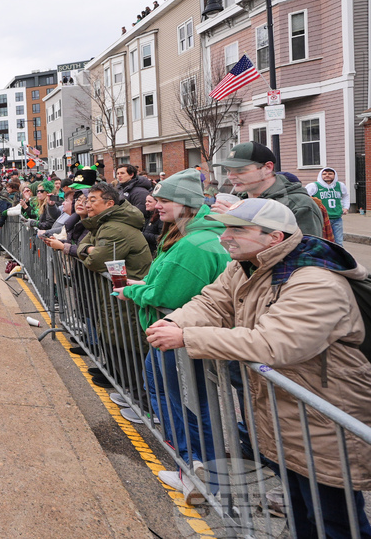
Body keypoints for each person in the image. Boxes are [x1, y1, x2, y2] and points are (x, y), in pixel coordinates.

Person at [147, 199, 371, 537]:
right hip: (285, 411)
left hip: (324, 414)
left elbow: (274, 344)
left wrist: (187, 336)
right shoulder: (247, 265)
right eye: (225, 228)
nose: (225, 237)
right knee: (300, 509)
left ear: (274, 237)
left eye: (237, 230)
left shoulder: (316, 281)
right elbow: (212, 302)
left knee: (333, 518)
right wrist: (173, 321)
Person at [116, 170, 230, 503]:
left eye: (165, 200)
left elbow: (168, 294)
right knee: (193, 403)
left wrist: (137, 293)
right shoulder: (191, 235)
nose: (156, 204)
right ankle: (196, 471)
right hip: (181, 333)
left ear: (186, 204)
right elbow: (165, 285)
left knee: (182, 403)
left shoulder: (193, 244)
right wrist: (145, 288)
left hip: (177, 335)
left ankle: (194, 469)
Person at [210, 142, 324, 237]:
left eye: (240, 170)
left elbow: (307, 254)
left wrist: (239, 223)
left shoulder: (298, 204)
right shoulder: (239, 202)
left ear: (267, 168)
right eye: (228, 170)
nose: (230, 176)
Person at [306, 167, 349, 245]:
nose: (327, 175)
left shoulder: (340, 185)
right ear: (320, 175)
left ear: (334, 175)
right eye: (324, 174)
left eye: (330, 174)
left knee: (338, 241)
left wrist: (346, 207)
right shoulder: (314, 186)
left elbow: (346, 196)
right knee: (324, 240)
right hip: (322, 218)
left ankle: (338, 256)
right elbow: (305, 197)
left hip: (337, 218)